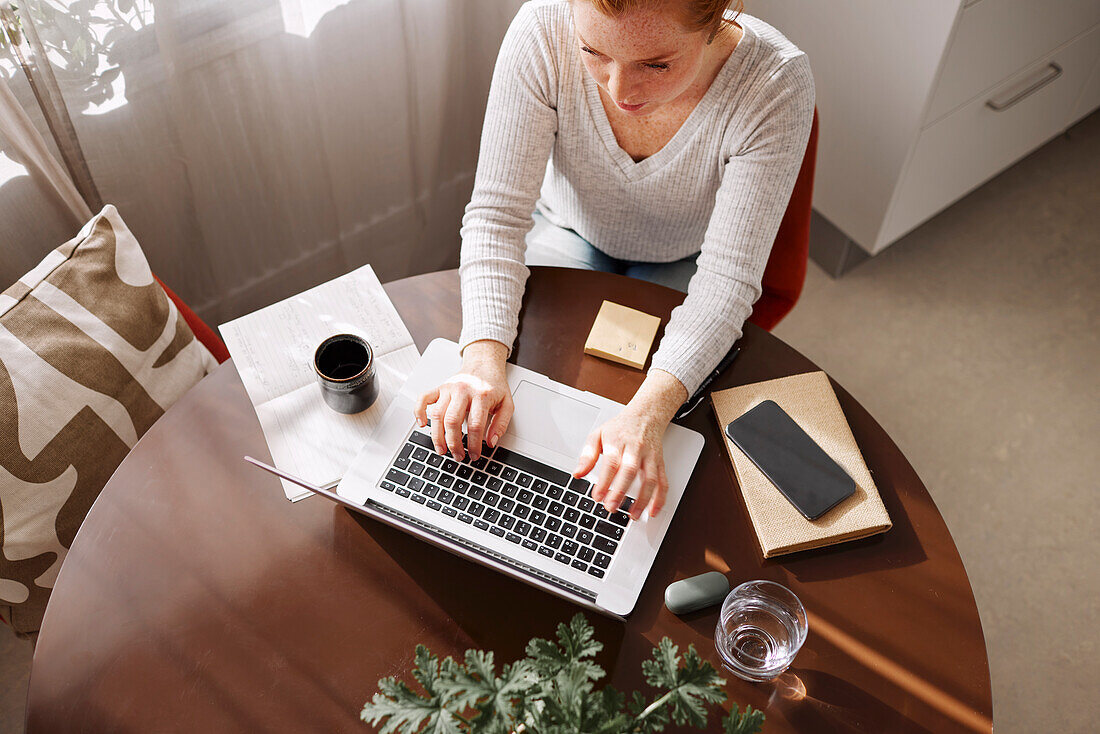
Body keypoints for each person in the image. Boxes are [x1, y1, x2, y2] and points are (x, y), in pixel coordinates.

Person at [415, 0, 814, 521]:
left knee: (656, 419)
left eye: (656, 64)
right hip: (566, 230)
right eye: (593, 51)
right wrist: (480, 363)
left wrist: (647, 415)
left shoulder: (774, 82)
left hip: (686, 259)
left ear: (718, 18)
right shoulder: (542, 30)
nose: (619, 90)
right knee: (533, 393)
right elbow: (497, 215)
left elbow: (725, 283)